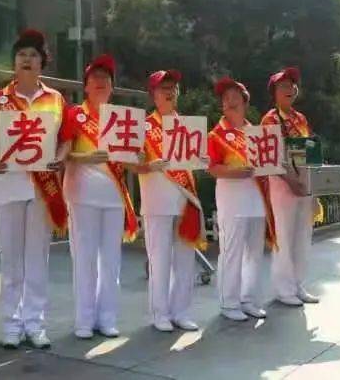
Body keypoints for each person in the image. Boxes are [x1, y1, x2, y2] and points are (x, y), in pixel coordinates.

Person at [0, 29, 68, 350]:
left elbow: (66, 138)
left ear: (42, 63)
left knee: (38, 258)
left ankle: (35, 324)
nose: (27, 59)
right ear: (14, 62)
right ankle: (11, 325)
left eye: (33, 55)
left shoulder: (55, 100)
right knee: (11, 259)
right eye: (21, 54)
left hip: (42, 188)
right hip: (9, 183)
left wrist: (60, 158)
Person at [59, 54, 139, 340]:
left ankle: (107, 318)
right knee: (84, 258)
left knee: (111, 260)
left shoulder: (120, 119)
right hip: (82, 195)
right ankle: (84, 319)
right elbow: (64, 152)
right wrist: (86, 157)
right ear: (86, 85)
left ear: (112, 87)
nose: (101, 82)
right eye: (95, 78)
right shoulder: (74, 115)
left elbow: (132, 162)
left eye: (106, 79)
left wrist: (140, 157)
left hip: (114, 196)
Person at [137, 70, 205, 333]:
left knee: (185, 259)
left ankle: (182, 312)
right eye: (163, 88)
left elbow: (197, 160)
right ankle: (160, 313)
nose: (169, 92)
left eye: (173, 88)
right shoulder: (142, 127)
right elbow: (129, 163)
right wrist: (147, 165)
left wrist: (204, 160)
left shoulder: (188, 127)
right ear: (153, 94)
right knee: (160, 259)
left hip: (185, 199)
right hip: (156, 202)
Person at [207, 78, 276, 321]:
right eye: (225, 97)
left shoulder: (257, 134)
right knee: (232, 250)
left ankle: (248, 299)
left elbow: (269, 164)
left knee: (254, 252)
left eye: (234, 96)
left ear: (245, 101)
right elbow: (212, 168)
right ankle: (229, 302)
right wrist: (233, 172)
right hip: (231, 198)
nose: (229, 100)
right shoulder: (216, 135)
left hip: (255, 198)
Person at [262, 67, 322, 306]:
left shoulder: (300, 119)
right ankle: (283, 288)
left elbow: (309, 152)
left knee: (303, 235)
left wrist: (312, 184)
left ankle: (298, 284)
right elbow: (270, 157)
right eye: (284, 86)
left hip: (304, 183)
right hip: (282, 185)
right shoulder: (270, 120)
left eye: (292, 85)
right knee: (285, 236)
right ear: (274, 92)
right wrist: (291, 180)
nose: (290, 90)